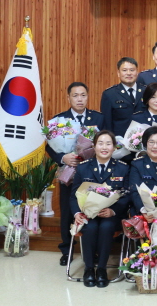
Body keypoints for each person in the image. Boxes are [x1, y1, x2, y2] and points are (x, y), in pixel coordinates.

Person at [46, 82, 104, 266]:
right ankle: (67, 249)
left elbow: (106, 140)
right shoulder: (59, 120)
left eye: (83, 95)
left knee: (92, 209)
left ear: (88, 96)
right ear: (68, 98)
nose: (80, 99)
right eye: (75, 95)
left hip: (93, 173)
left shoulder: (98, 118)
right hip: (69, 172)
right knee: (67, 210)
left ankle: (93, 250)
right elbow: (49, 146)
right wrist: (63, 157)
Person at [70, 130, 130, 288]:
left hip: (111, 215)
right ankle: (89, 269)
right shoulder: (83, 168)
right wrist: (77, 213)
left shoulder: (122, 168)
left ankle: (102, 269)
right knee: (89, 227)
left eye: (108, 144)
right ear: (94, 146)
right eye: (100, 143)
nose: (104, 147)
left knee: (106, 227)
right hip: (87, 214)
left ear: (114, 147)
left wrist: (113, 211)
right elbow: (74, 195)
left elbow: (127, 195)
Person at [100, 57, 146, 137]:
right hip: (120, 141)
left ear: (137, 72)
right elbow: (107, 123)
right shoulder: (109, 94)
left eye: (132, 70)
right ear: (118, 73)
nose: (129, 73)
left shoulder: (146, 91)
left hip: (145, 139)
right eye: (124, 70)